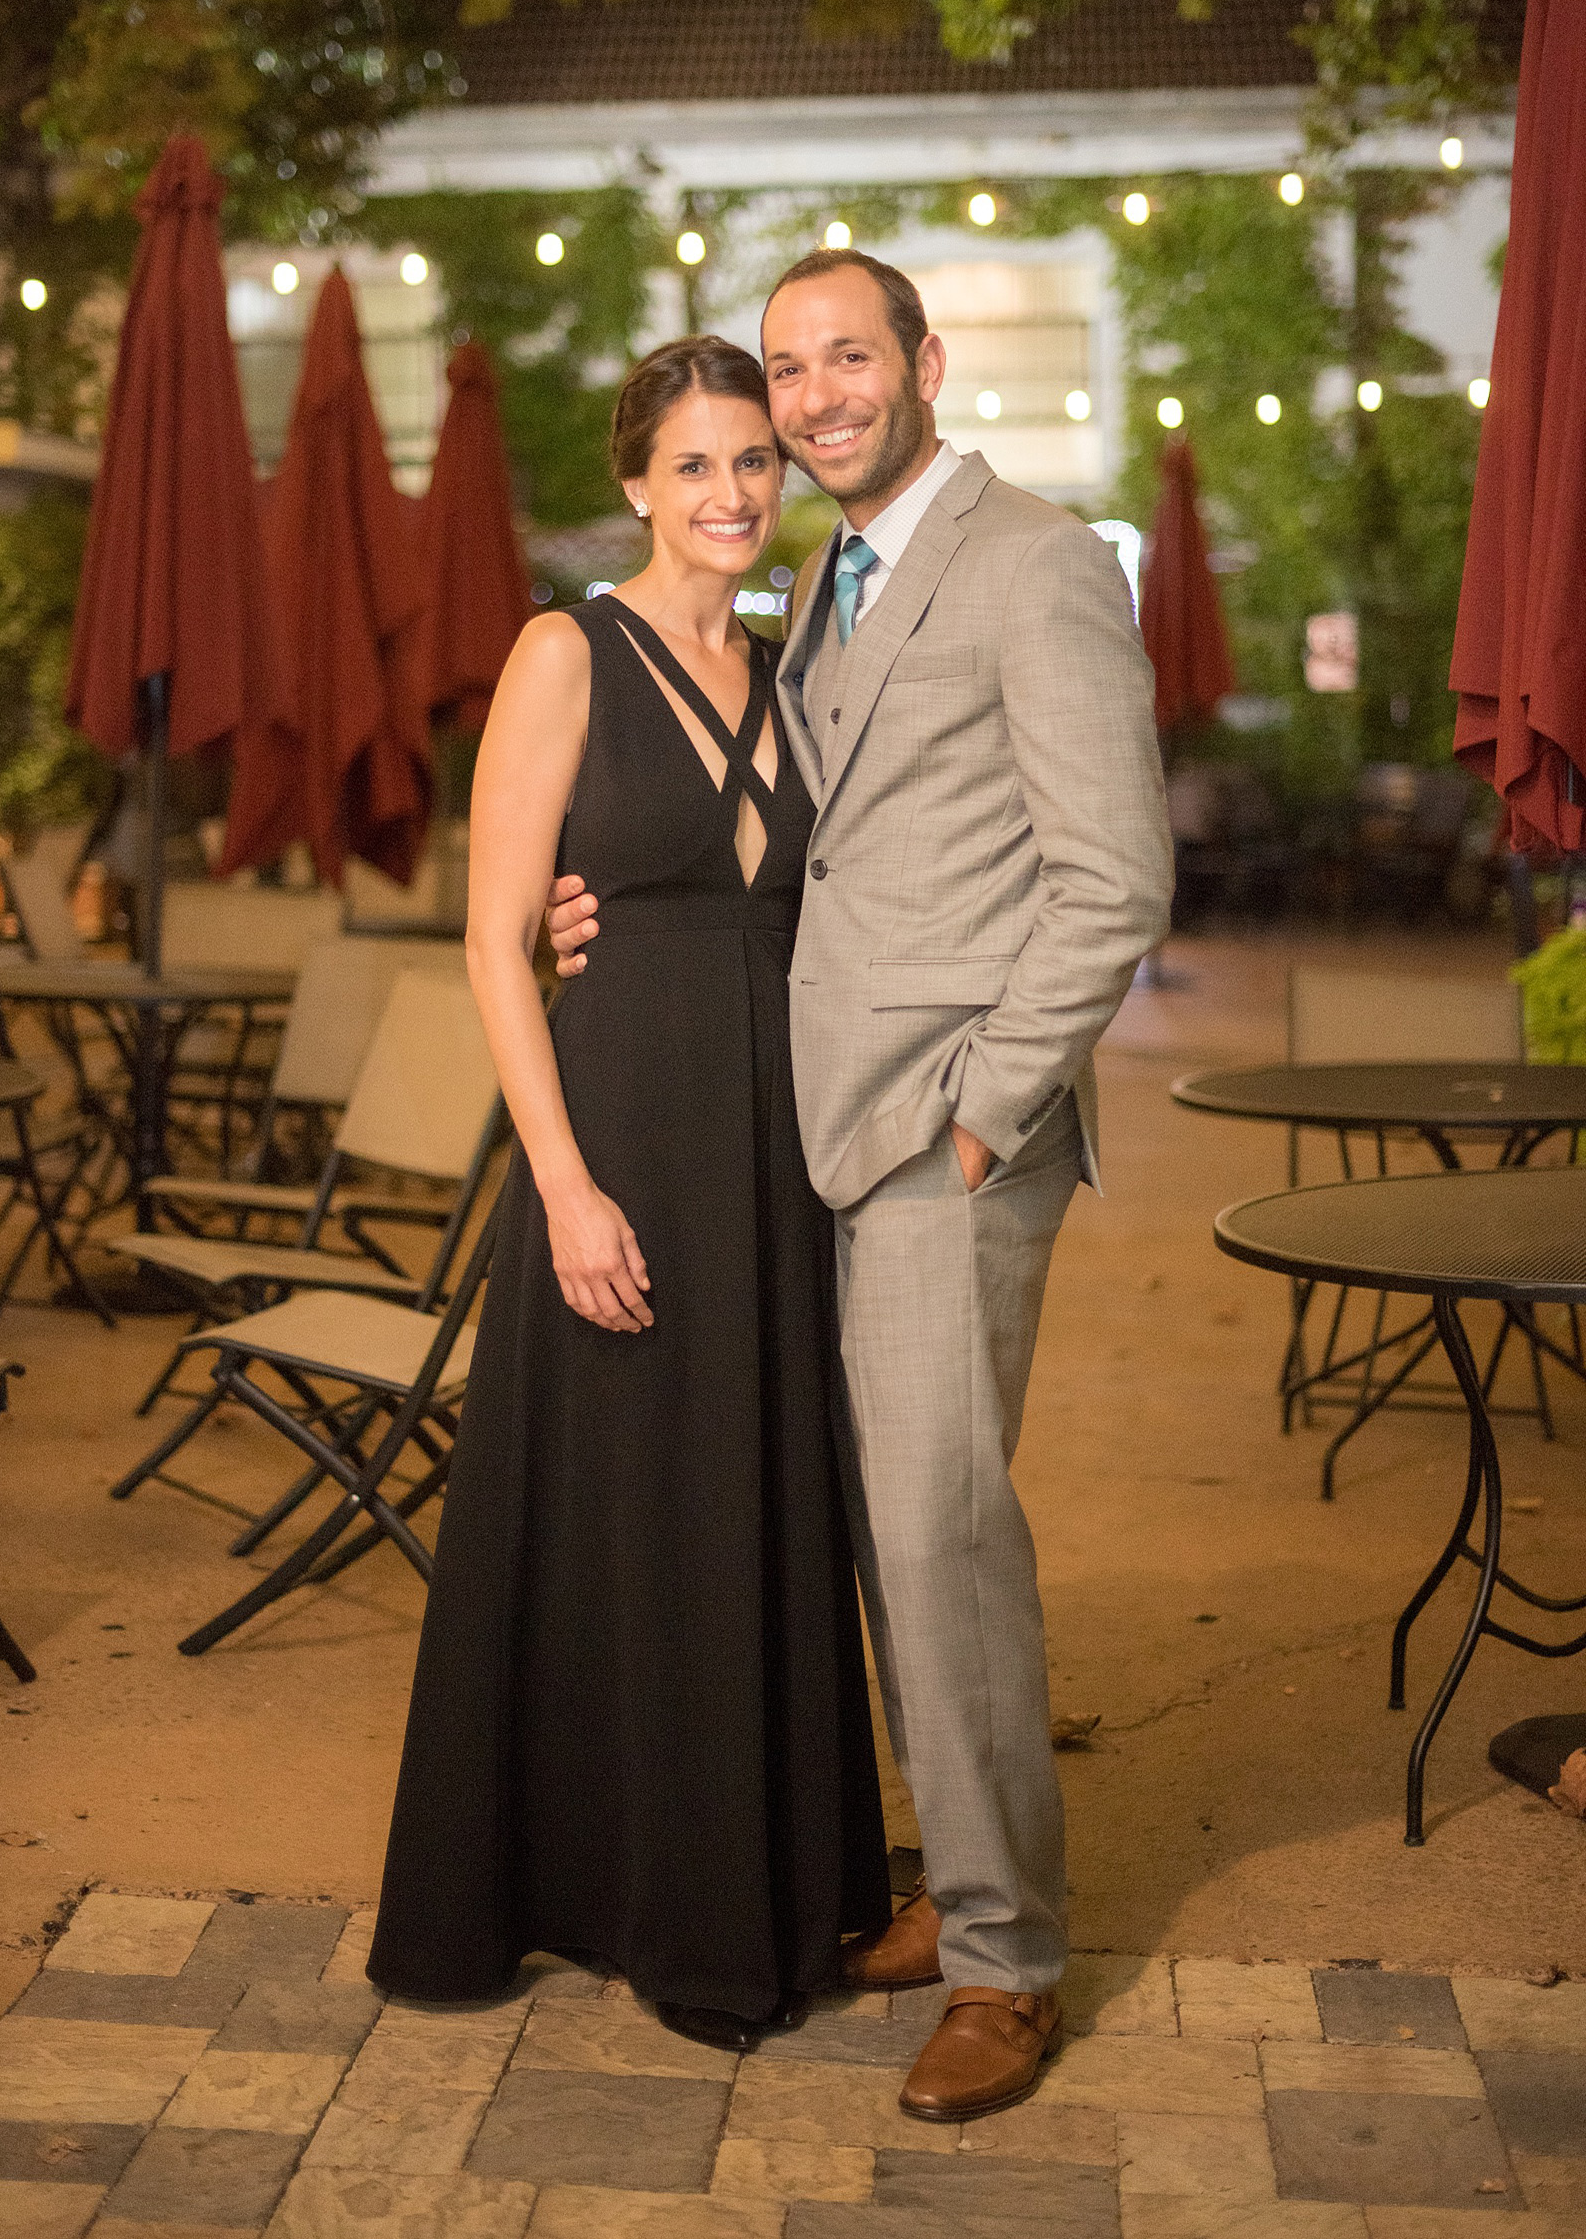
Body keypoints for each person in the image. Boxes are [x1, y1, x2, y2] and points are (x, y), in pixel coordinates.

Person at [548, 250, 1173, 2122]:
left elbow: (1116, 878)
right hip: (805, 1129)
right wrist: (606, 908)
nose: (813, 398)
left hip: (937, 1142)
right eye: (792, 366)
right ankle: (959, 1885)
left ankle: (1005, 1959)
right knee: (880, 1540)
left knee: (935, 1540)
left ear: (925, 361)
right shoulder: (821, 575)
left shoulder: (1036, 559)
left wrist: (981, 1115)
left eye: (847, 359)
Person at [366, 335, 892, 2049]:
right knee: (630, 1522)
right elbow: (495, 940)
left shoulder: (795, 659)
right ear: (636, 483)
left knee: (753, 1501)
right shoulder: (560, 649)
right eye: (696, 466)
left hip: (777, 1155)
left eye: (754, 460)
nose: (734, 493)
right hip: (623, 1147)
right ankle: (642, 1901)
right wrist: (565, 1183)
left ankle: (767, 1887)